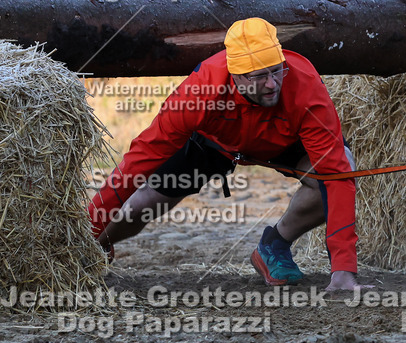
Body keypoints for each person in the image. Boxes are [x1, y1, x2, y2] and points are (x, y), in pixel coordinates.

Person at [89, 17, 368, 292]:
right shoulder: (200, 91)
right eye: (259, 76)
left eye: (276, 70)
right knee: (144, 204)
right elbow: (139, 161)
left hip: (283, 142)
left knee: (341, 166)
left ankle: (274, 245)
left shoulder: (304, 84)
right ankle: (93, 247)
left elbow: (336, 173)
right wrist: (85, 234)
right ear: (234, 76)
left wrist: (343, 270)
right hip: (213, 143)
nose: (272, 84)